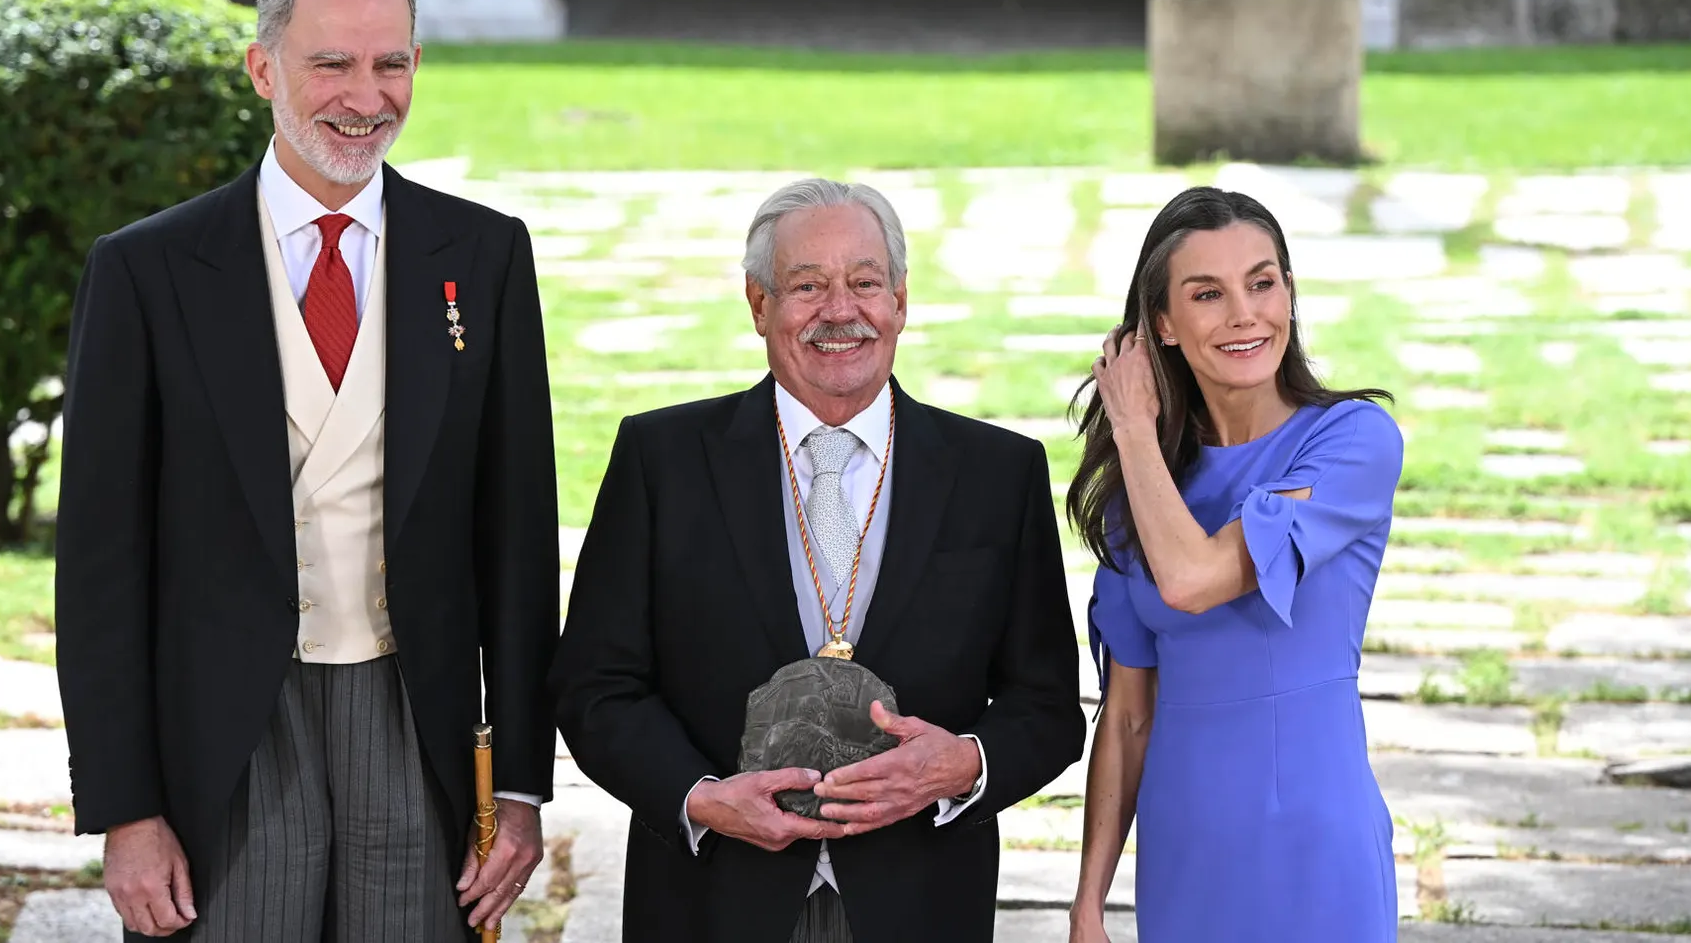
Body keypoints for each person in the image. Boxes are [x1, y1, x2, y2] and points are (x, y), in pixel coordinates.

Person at [54, 0, 560, 941]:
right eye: (331, 62)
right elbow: (100, 567)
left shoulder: (485, 256)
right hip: (227, 727)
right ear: (262, 69)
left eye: (391, 63)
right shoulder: (148, 273)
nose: (364, 96)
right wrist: (125, 806)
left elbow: (516, 539)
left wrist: (521, 785)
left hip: (410, 713)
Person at [549, 178, 1086, 943]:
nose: (841, 311)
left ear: (900, 300)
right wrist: (701, 797)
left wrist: (960, 765)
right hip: (711, 900)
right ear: (758, 304)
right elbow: (595, 687)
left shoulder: (998, 473)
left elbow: (1047, 710)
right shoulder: (661, 460)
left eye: (865, 283)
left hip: (921, 902)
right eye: (807, 285)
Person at [1065, 187, 1402, 943]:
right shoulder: (1142, 494)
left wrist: (1132, 428)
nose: (1246, 313)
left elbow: (1192, 580)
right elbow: (1125, 715)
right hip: (1185, 855)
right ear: (1163, 325)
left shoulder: (1353, 441)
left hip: (1317, 848)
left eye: (1263, 281)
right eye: (1207, 294)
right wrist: (1089, 901)